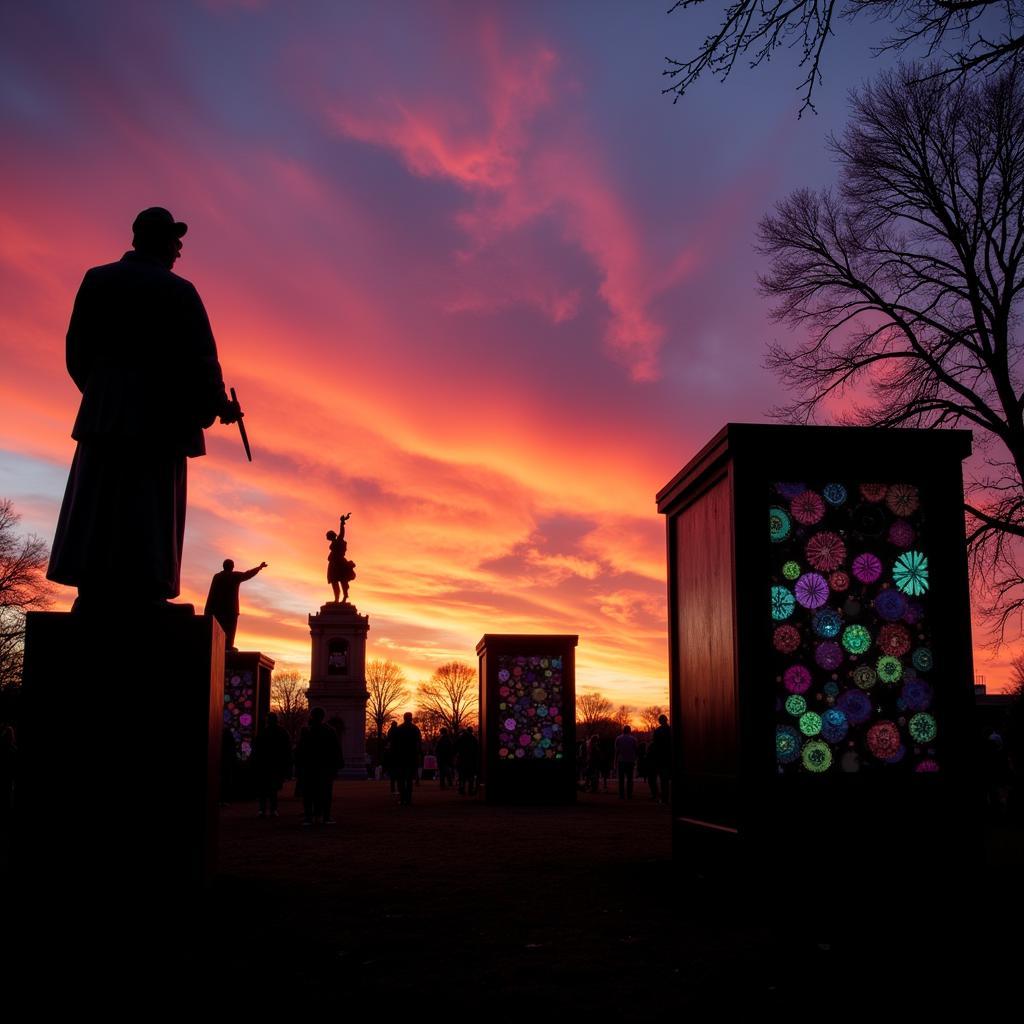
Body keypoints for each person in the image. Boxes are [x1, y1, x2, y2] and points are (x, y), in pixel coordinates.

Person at [47, 207, 241, 610]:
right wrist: (217, 405)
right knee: (149, 507)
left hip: (105, 417)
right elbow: (202, 362)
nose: (179, 250)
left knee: (101, 502)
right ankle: (145, 593)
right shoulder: (178, 291)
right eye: (175, 241)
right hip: (161, 422)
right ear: (158, 240)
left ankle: (94, 592)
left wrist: (105, 395)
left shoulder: (98, 280)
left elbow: (75, 352)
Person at [204, 558, 267, 651]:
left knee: (220, 631)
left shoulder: (217, 577)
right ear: (232, 566)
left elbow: (211, 594)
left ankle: (224, 646)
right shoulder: (234, 576)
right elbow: (248, 574)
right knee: (229, 631)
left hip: (217, 609)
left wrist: (208, 610)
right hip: (230, 610)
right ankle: (228, 646)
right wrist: (259, 567)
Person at [296, 708, 341, 825]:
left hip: (309, 766)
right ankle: (325, 816)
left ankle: (308, 816)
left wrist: (299, 764)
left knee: (309, 792)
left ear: (311, 716)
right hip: (325, 766)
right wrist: (337, 764)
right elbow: (336, 749)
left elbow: (300, 750)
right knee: (325, 792)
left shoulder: (306, 731)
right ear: (323, 717)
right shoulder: (330, 731)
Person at [251, 712, 292, 817]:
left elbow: (256, 749)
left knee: (263, 789)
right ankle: (273, 809)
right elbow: (287, 750)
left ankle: (262, 809)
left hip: (264, 764)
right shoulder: (282, 732)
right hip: (276, 764)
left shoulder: (262, 732)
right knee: (273, 789)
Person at [390, 712, 422, 806]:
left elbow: (394, 745)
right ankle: (408, 799)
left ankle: (403, 798)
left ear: (404, 718)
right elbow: (418, 743)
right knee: (409, 780)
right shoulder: (415, 729)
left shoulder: (399, 729)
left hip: (400, 757)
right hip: (411, 757)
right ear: (411, 718)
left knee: (401, 779)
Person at [325, 513, 356, 603]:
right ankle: (337, 599)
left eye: (328, 536)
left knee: (342, 580)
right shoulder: (334, 542)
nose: (327, 537)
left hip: (339, 563)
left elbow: (342, 533)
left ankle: (345, 596)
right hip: (333, 563)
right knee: (334, 581)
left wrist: (342, 522)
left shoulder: (339, 540)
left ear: (331, 536)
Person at [650, 714, 672, 804]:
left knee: (663, 780)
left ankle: (664, 799)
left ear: (660, 721)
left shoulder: (657, 731)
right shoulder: (671, 730)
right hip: (670, 757)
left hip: (661, 758)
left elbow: (655, 745)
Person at [614, 724, 638, 799]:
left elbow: (617, 751)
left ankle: (621, 795)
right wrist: (635, 760)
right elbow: (635, 750)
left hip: (621, 761)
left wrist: (615, 761)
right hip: (630, 761)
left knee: (621, 779)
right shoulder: (633, 739)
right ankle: (629, 795)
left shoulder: (618, 738)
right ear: (629, 730)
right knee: (630, 779)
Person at [454, 726, 480, 796]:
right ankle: (470, 790)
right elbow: (477, 750)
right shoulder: (474, 739)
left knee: (462, 776)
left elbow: (455, 748)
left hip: (462, 759)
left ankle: (461, 789)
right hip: (471, 760)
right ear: (471, 731)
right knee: (470, 776)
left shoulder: (461, 738)